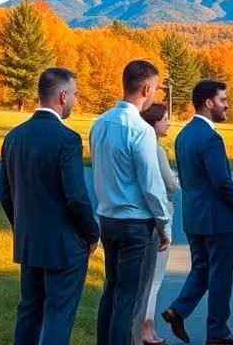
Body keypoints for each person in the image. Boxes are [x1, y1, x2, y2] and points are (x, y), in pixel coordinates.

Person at [0, 67, 101, 345]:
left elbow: (6, 195)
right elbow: (76, 197)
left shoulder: (13, 137)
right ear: (63, 96)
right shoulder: (67, 139)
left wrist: (22, 227)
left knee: (29, 310)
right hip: (64, 246)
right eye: (75, 95)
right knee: (59, 313)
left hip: (29, 242)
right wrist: (91, 234)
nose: (75, 101)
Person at [162, 80, 233, 345]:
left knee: (201, 269)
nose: (227, 104)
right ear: (208, 102)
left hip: (193, 218)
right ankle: (218, 331)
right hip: (217, 218)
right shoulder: (211, 138)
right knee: (220, 274)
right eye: (223, 99)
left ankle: (178, 310)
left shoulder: (183, 135)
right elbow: (220, 181)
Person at [90, 59, 173, 345]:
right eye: (157, 88)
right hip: (135, 223)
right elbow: (152, 186)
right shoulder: (140, 129)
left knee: (110, 291)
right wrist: (164, 224)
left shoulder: (99, 123)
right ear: (147, 88)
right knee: (129, 299)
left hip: (108, 217)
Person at [138, 102, 180, 345]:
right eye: (165, 118)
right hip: (159, 215)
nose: (168, 123)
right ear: (154, 122)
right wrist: (175, 177)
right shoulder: (156, 149)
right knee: (154, 280)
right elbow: (171, 184)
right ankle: (147, 329)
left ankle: (143, 328)